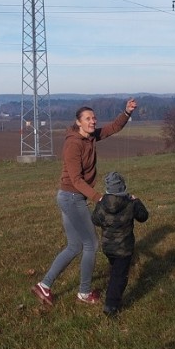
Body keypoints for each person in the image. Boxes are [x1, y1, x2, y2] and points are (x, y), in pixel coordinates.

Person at [31, 98, 137, 306]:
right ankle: (84, 292)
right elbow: (76, 180)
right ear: (78, 122)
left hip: (71, 197)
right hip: (71, 198)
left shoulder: (90, 137)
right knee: (91, 244)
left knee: (74, 246)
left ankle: (44, 285)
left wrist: (127, 112)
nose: (92, 121)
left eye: (94, 118)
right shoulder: (73, 144)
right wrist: (99, 198)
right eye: (88, 118)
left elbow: (113, 128)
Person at [91, 171, 149, 316]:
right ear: (123, 187)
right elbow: (143, 217)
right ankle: (111, 305)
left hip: (107, 248)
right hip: (124, 249)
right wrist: (137, 201)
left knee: (115, 270)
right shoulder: (130, 203)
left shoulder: (102, 204)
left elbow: (95, 220)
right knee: (119, 277)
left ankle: (112, 291)